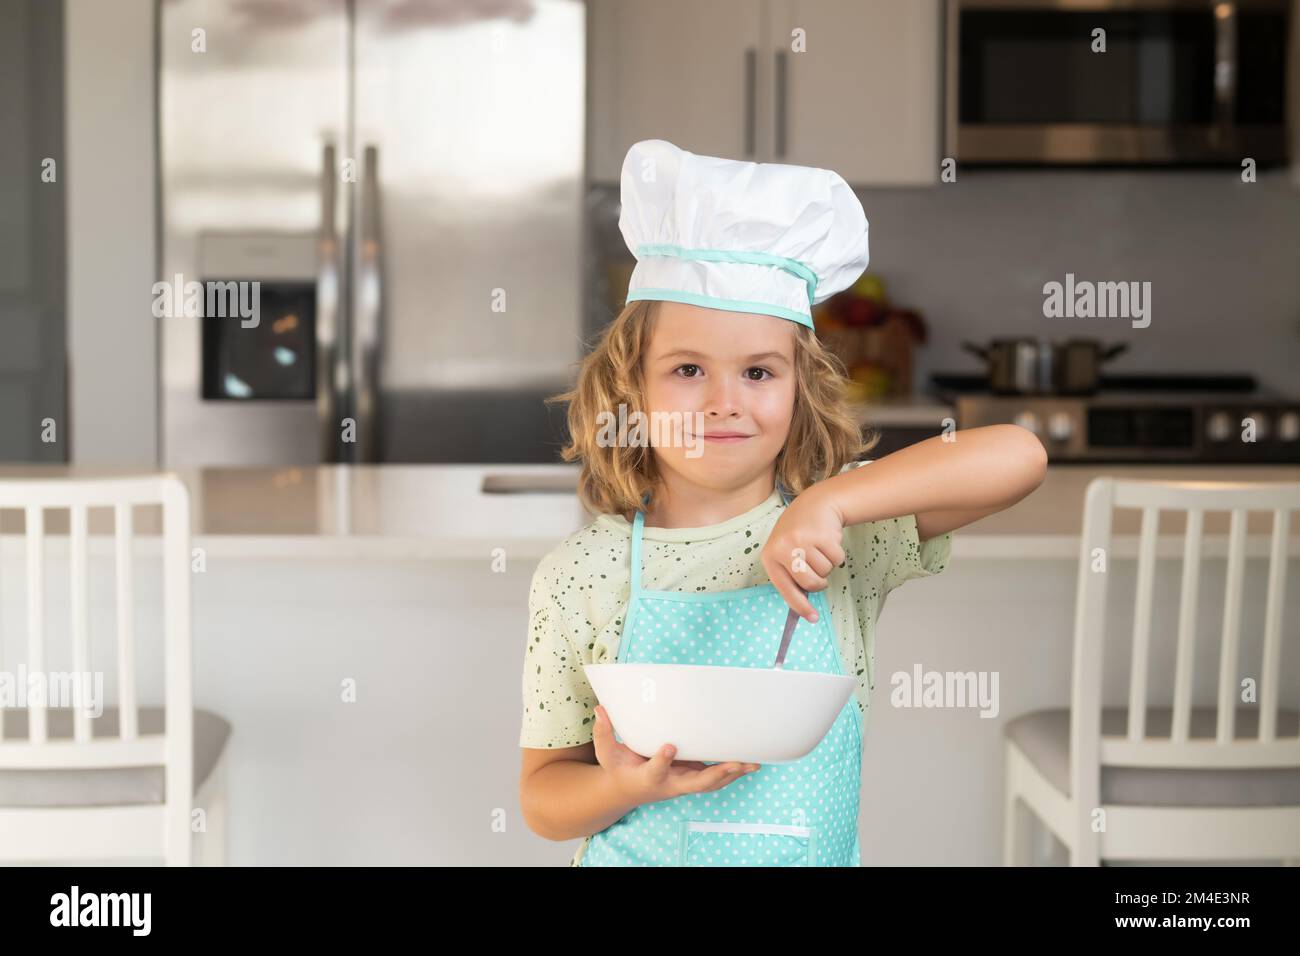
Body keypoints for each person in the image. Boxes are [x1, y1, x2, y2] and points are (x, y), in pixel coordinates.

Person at [518, 139, 1046, 866]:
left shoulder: (847, 542)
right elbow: (544, 795)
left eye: (760, 371)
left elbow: (1021, 456)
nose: (724, 402)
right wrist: (623, 786)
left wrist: (830, 501)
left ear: (802, 389)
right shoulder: (581, 574)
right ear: (631, 387)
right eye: (688, 369)